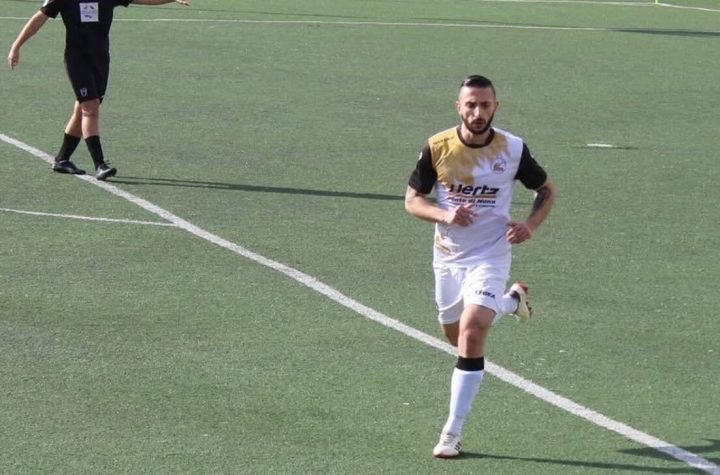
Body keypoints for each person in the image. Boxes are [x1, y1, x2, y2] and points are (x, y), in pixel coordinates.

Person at [405, 75, 556, 458]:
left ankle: (451, 433)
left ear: (495, 107)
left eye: (484, 105)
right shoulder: (437, 147)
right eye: (470, 104)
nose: (477, 112)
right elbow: (412, 201)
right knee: (456, 336)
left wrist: (530, 226)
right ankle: (512, 302)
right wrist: (445, 215)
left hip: (491, 253)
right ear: (459, 107)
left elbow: (546, 189)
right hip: (448, 256)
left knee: (472, 334)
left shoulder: (512, 148)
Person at [7, 0, 188, 180]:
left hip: (100, 61)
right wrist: (16, 46)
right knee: (90, 108)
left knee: (83, 110)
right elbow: (39, 18)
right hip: (77, 61)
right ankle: (100, 165)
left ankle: (62, 160)